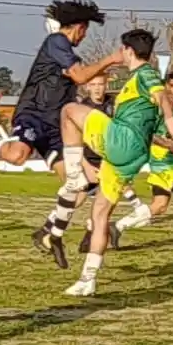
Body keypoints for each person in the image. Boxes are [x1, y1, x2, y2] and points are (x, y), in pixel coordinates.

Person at [0, 0, 120, 269]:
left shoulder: (69, 52)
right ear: (78, 27)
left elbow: (80, 75)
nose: (85, 35)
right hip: (34, 114)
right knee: (18, 156)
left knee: (81, 182)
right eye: (85, 30)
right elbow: (80, 76)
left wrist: (104, 69)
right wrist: (110, 59)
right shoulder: (56, 42)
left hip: (56, 127)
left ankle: (48, 233)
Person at [54, 29, 173, 296]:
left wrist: (171, 121)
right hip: (134, 155)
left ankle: (75, 175)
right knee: (100, 212)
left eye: (122, 50)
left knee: (68, 111)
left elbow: (160, 95)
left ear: (128, 50)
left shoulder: (145, 74)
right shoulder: (140, 80)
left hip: (121, 139)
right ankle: (87, 279)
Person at [114, 71, 173, 256]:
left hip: (170, 158)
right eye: (172, 86)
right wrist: (168, 144)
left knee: (159, 205)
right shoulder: (157, 108)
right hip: (161, 158)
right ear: (166, 87)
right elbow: (148, 133)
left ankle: (118, 226)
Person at [68, 74, 150, 251]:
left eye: (101, 84)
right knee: (76, 199)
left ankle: (90, 237)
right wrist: (84, 164)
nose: (97, 88)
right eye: (93, 84)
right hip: (89, 161)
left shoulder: (114, 104)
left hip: (109, 160)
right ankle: (52, 227)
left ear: (106, 85)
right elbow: (74, 140)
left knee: (106, 203)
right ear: (87, 87)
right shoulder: (82, 109)